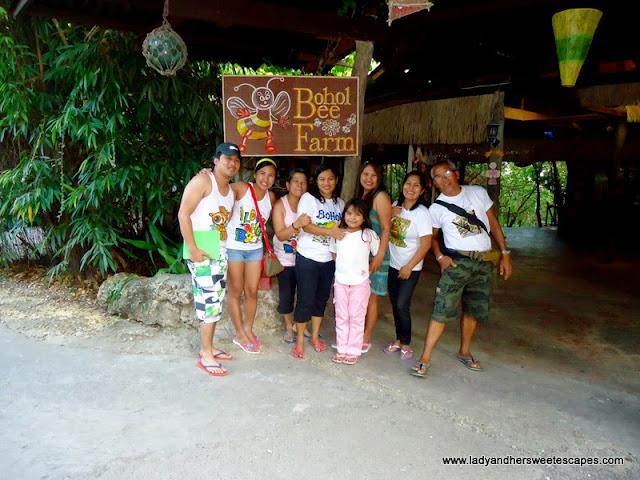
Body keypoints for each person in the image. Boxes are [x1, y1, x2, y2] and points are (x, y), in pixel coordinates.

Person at [411, 160, 513, 378]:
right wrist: (440, 257)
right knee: (441, 309)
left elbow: (493, 223)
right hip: (458, 262)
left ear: (456, 174)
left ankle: (464, 350)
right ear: (434, 183)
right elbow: (432, 238)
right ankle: (425, 356)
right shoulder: (436, 208)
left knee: (473, 308)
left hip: (485, 262)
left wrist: (505, 253)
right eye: (437, 176)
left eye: (446, 172)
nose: (443, 178)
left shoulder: (477, 193)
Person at [178, 142, 240, 377]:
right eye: (227, 158)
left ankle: (209, 346)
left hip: (218, 248)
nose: (232, 163)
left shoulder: (231, 190)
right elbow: (183, 213)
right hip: (202, 248)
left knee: (214, 300)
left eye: (236, 160)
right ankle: (206, 354)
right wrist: (192, 248)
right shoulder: (203, 181)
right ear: (216, 160)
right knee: (210, 301)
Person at [292, 163, 345, 359]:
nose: (326, 183)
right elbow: (306, 227)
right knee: (305, 299)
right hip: (308, 257)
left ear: (336, 180)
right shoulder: (308, 199)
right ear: (317, 181)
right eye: (322, 179)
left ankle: (314, 337)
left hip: (328, 260)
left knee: (321, 299)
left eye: (330, 179)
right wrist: (329, 231)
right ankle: (299, 340)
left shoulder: (340, 203)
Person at [226, 157, 278, 354]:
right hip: (234, 247)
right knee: (235, 290)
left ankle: (248, 329)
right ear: (255, 174)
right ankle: (239, 334)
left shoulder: (271, 198)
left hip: (255, 249)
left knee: (252, 291)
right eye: (263, 173)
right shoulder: (240, 188)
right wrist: (206, 176)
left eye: (271, 175)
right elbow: (219, 192)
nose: (266, 178)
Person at [384, 171, 433, 361]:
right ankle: (398, 339)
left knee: (402, 305)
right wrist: (388, 213)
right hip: (393, 264)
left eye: (416, 185)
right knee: (395, 304)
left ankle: (406, 343)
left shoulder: (422, 213)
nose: (411, 188)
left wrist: (409, 266)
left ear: (421, 191)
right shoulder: (395, 207)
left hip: (410, 268)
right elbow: (383, 229)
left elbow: (426, 244)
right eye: (408, 183)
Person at [330, 198, 380, 365]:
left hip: (360, 283)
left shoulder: (368, 235)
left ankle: (353, 350)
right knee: (342, 316)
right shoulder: (338, 234)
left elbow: (377, 254)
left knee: (357, 317)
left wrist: (367, 269)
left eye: (357, 214)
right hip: (341, 282)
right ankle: (342, 349)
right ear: (344, 215)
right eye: (349, 213)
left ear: (364, 217)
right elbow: (334, 254)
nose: (352, 217)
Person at [354, 161, 392, 353]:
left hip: (377, 254)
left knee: (371, 299)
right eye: (365, 174)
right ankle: (356, 333)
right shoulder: (361, 196)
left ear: (379, 178)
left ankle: (365, 337)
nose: (368, 179)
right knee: (358, 296)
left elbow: (386, 228)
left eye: (373, 175)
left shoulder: (380, 196)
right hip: (361, 254)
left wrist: (379, 256)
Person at [271, 168, 311, 344]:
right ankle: (289, 325)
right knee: (287, 294)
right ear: (287, 185)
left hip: (305, 257)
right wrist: (297, 224)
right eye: (296, 181)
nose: (299, 185)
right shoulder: (281, 205)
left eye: (303, 182)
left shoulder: (310, 204)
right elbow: (280, 234)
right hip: (285, 259)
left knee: (305, 294)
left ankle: (301, 325)